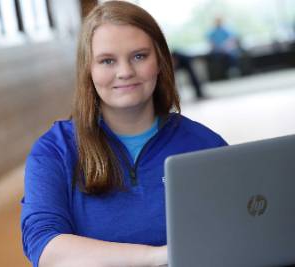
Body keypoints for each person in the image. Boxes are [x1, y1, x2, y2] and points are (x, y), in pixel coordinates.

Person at [21, 1, 227, 267]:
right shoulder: (55, 150)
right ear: (88, 70)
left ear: (161, 62)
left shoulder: (204, 144)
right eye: (107, 60)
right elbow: (45, 247)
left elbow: (240, 229)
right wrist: (158, 257)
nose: (125, 72)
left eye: (139, 56)